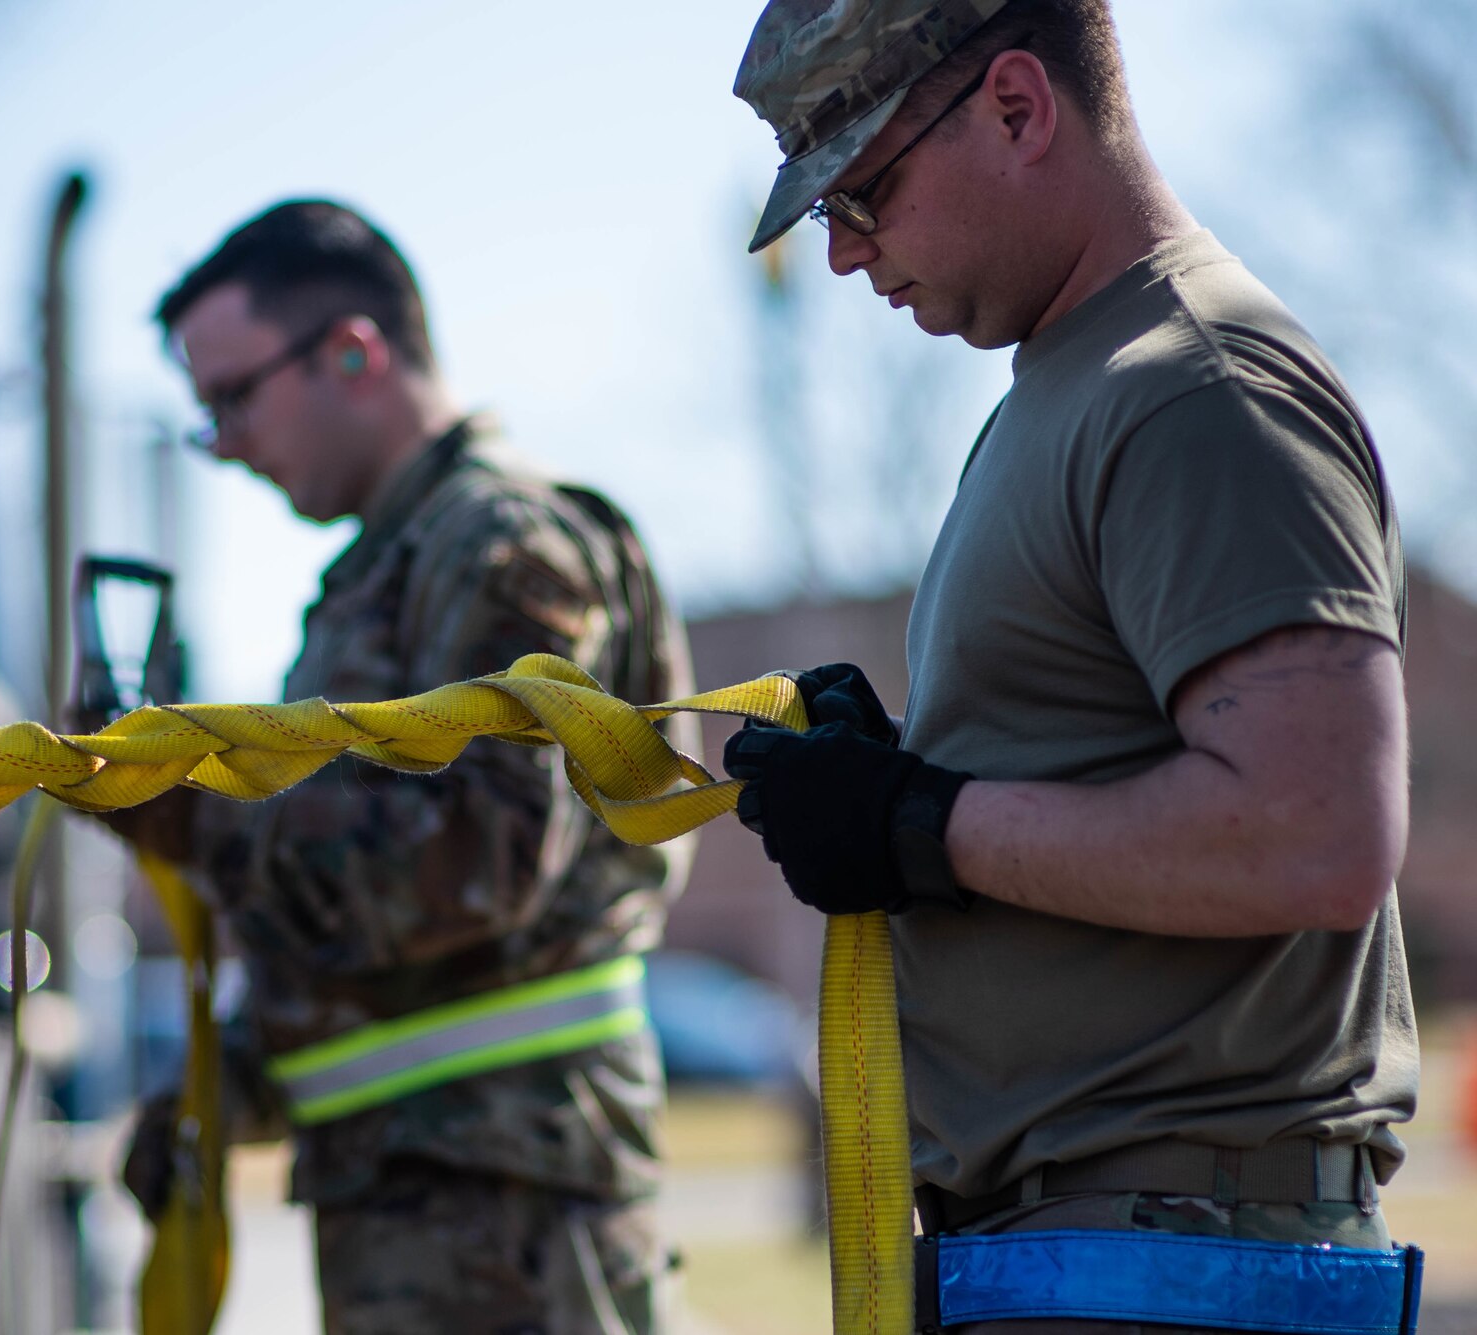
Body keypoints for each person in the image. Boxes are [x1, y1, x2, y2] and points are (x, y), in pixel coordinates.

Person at [723, 0, 1418, 1327]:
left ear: (1019, 108)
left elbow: (1316, 834)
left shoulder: (1198, 385)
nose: (843, 254)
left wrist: (921, 824)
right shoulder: (1075, 385)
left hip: (1176, 1261)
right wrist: (917, 781)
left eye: (864, 191)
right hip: (1096, 1251)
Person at [107, 199, 694, 1334]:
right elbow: (386, 952)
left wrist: (188, 807)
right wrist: (225, 1081)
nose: (222, 443)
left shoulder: (500, 543)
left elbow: (471, 865)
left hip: (509, 1214)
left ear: (352, 352)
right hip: (434, 1197)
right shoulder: (389, 568)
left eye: (231, 397)